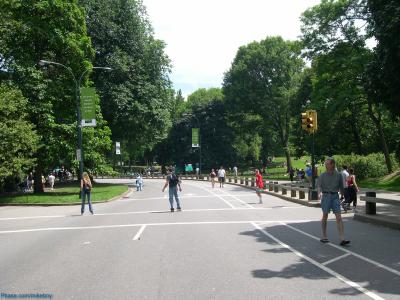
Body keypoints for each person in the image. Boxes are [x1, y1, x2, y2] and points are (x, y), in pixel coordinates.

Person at [318, 158, 350, 246]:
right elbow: (319, 186)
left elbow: (341, 187)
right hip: (326, 196)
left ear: (332, 165)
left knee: (339, 217)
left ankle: (342, 238)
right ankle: (324, 236)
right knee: (325, 215)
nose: (325, 165)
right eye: (325, 164)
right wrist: (319, 193)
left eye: (327, 164)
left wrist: (342, 196)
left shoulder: (339, 175)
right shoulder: (322, 175)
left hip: (335, 196)